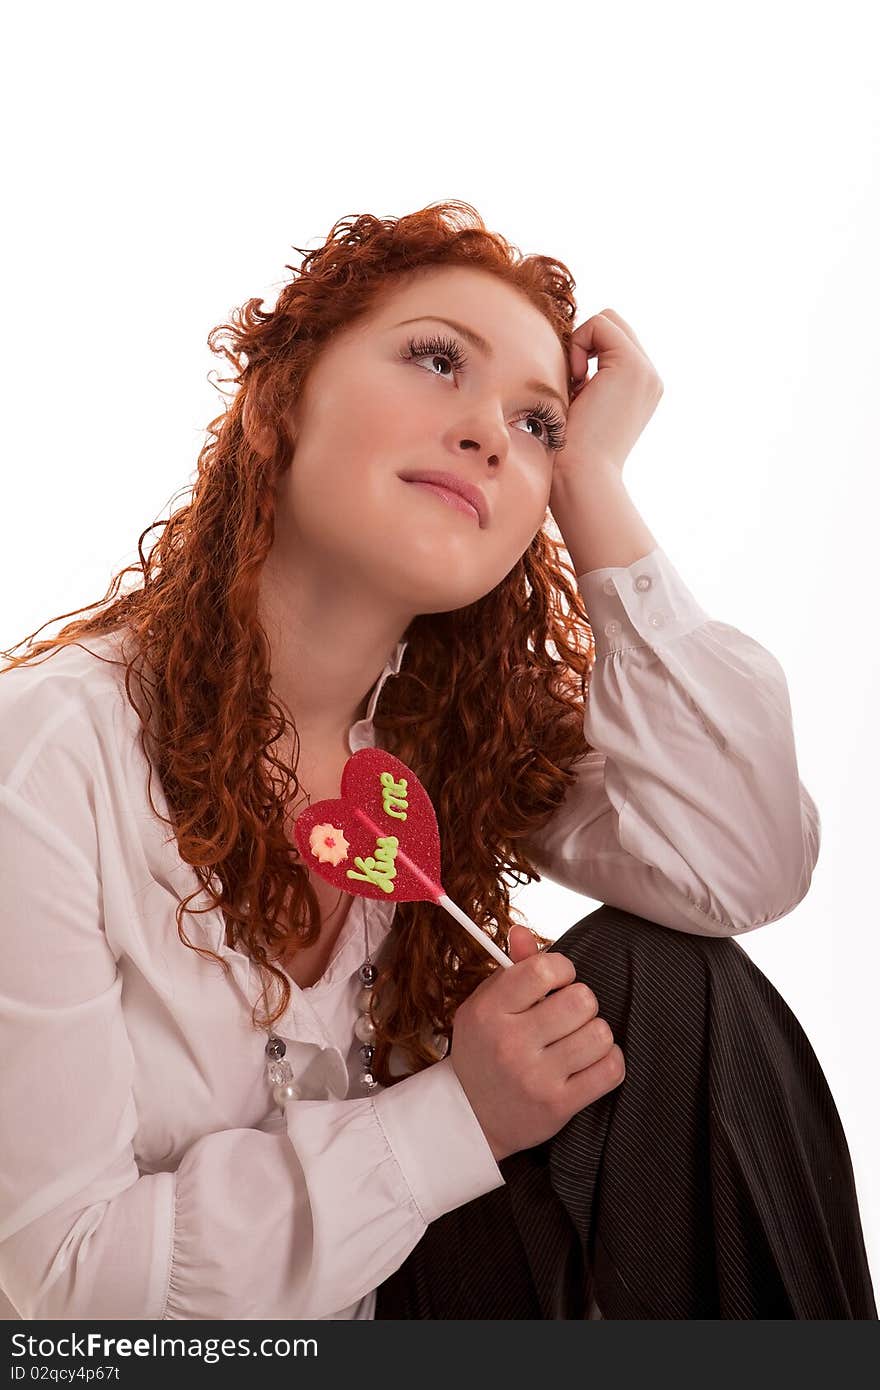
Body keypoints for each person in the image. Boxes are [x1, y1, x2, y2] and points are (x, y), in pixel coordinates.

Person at [0, 201, 873, 1321]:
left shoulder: (448, 740)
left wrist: (595, 488)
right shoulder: (47, 757)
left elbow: (741, 867)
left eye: (538, 425)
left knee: (671, 977)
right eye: (434, 358)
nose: (490, 436)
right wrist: (458, 1115)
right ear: (284, 394)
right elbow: (69, 1283)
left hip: (403, 1311)